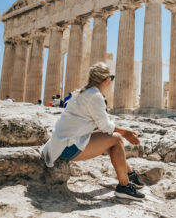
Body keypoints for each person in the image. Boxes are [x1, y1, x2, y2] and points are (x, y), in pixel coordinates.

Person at [41, 62, 145, 200]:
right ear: (107, 80)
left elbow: (99, 125)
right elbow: (105, 126)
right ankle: (124, 186)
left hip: (59, 144)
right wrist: (125, 132)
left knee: (111, 138)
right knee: (116, 139)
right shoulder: (95, 96)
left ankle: (130, 174)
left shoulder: (84, 92)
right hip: (66, 148)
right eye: (111, 78)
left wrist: (120, 131)